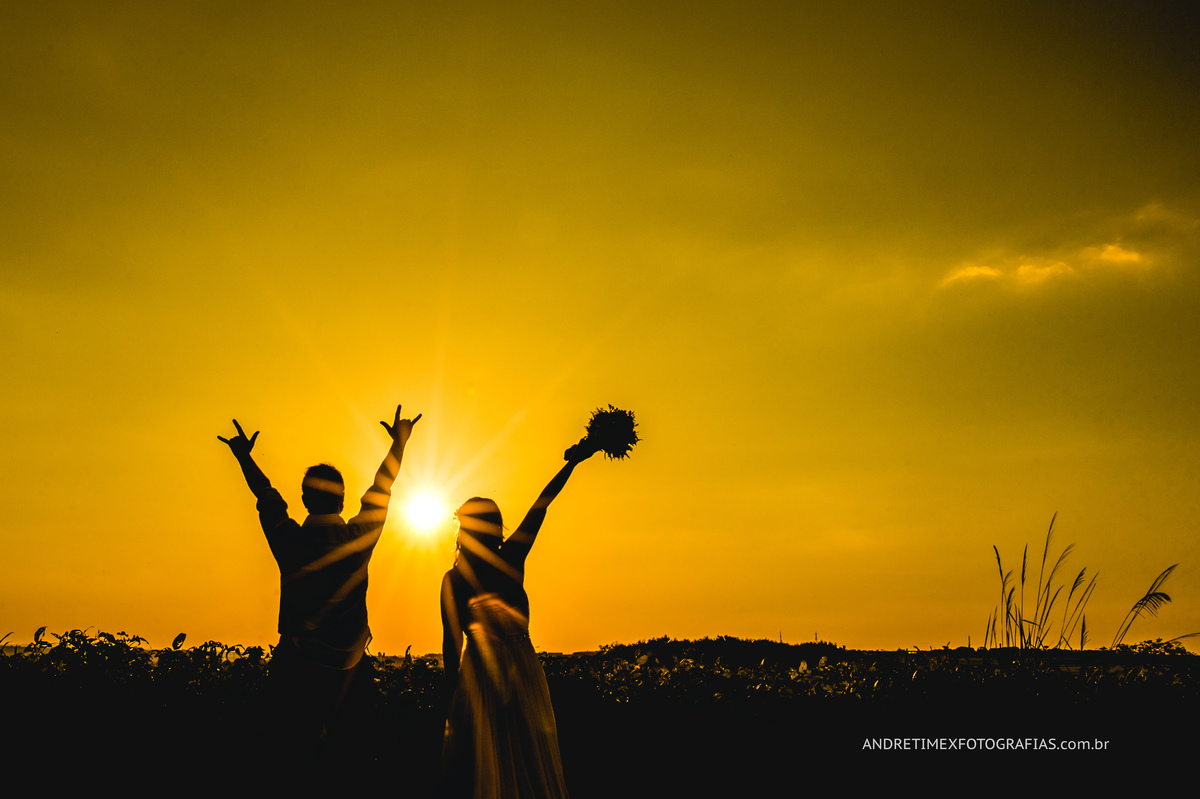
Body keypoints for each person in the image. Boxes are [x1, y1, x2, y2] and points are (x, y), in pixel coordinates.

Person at [218, 405, 420, 766]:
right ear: (342, 499)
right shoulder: (359, 538)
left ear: (305, 499)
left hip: (296, 665)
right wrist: (399, 444)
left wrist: (243, 458)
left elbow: (266, 497)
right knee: (349, 766)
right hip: (352, 668)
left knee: (285, 761)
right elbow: (382, 487)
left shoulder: (290, 542)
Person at [438, 435, 597, 799]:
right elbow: (541, 505)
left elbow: (452, 642)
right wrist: (573, 463)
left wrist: (450, 697)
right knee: (524, 757)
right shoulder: (510, 559)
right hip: (520, 669)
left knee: (484, 762)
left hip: (478, 674)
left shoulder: (454, 579)